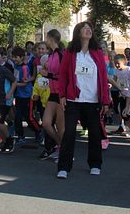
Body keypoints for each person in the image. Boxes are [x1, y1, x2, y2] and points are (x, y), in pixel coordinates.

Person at [56, 21, 111, 179]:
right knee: (69, 133)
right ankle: (64, 167)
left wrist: (105, 101)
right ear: (78, 32)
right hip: (74, 99)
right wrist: (62, 95)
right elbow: (64, 75)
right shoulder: (70, 52)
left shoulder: (98, 52)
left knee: (95, 133)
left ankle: (95, 164)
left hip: (93, 100)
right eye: (84, 28)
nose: (87, 31)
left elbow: (103, 76)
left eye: (89, 29)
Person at [41, 29, 65, 160]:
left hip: (61, 94)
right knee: (46, 123)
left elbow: (63, 76)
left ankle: (66, 153)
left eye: (46, 38)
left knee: (61, 127)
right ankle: (60, 145)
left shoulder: (61, 54)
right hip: (52, 92)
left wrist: (49, 74)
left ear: (50, 39)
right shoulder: (51, 55)